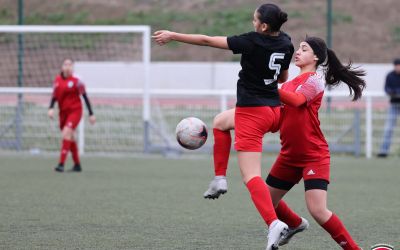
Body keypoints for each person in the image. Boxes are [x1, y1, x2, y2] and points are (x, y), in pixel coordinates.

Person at [153, 3, 294, 249]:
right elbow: (283, 78)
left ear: (263, 26)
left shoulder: (251, 41)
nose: (252, 23)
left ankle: (274, 223)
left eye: (254, 20)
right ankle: (219, 178)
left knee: (252, 177)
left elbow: (207, 40)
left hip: (253, 112)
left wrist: (174, 35)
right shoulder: (286, 42)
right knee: (220, 122)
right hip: (274, 111)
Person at [265, 36, 365, 249]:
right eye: (298, 49)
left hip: (313, 155)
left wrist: (270, 88)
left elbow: (297, 101)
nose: (298, 52)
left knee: (318, 210)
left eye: (304, 49)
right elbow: (278, 113)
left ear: (316, 56)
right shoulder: (289, 83)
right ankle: (294, 224)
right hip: (288, 155)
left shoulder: (314, 81)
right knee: (266, 201)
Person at [48, 58, 96, 172]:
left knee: (66, 133)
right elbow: (55, 95)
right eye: (66, 64)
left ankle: (61, 164)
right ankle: (77, 165)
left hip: (75, 111)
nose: (68, 67)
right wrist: (51, 108)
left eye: (70, 65)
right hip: (63, 112)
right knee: (70, 137)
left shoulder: (77, 81)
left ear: (72, 68)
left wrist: (91, 114)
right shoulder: (57, 80)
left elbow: (85, 96)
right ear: (62, 67)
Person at [377, 58, 400, 157]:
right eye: (396, 65)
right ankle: (383, 151)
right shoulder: (390, 76)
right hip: (394, 104)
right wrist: (393, 92)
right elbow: (386, 89)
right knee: (388, 128)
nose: (398, 67)